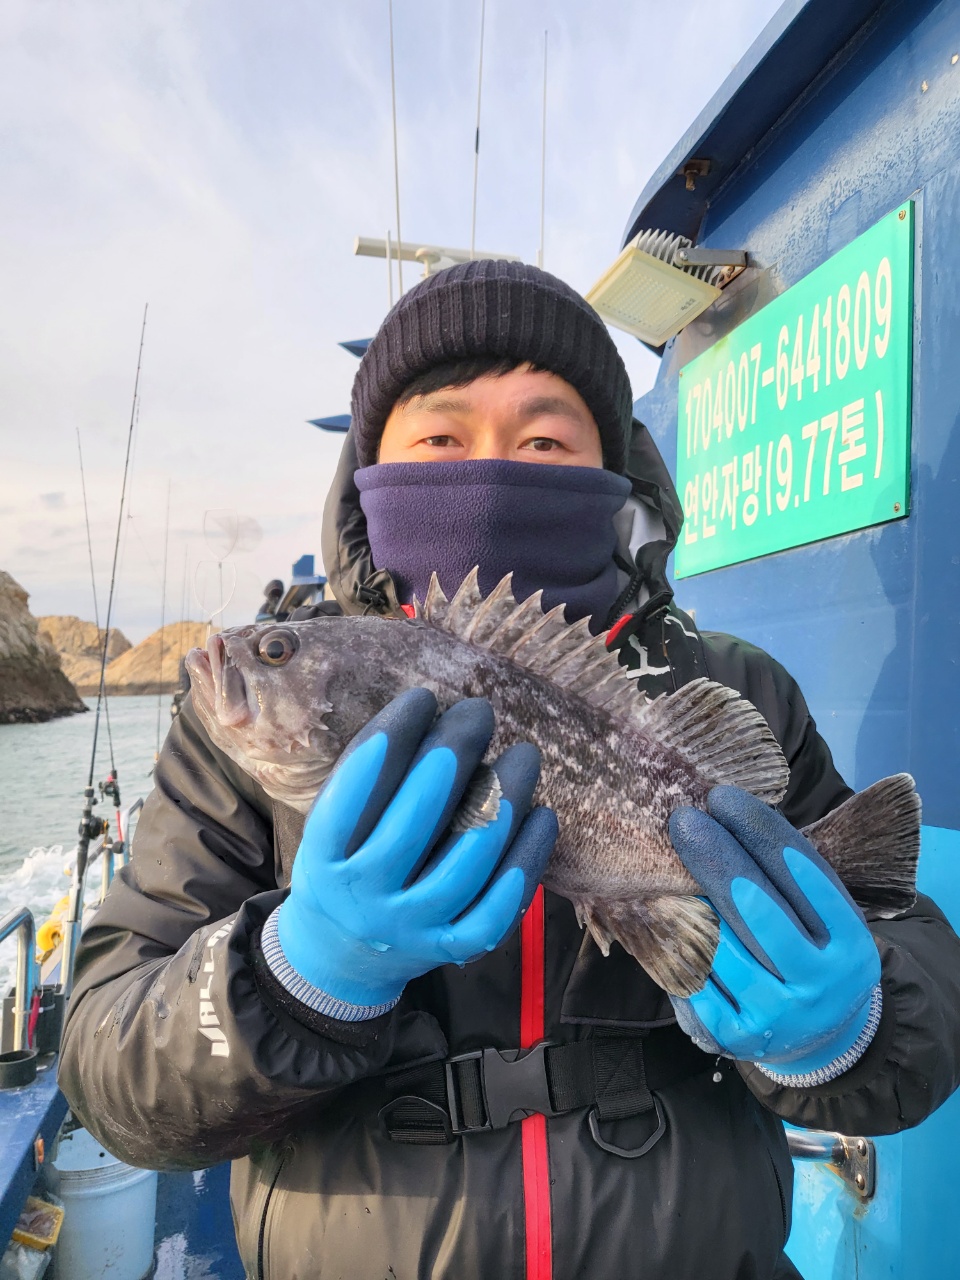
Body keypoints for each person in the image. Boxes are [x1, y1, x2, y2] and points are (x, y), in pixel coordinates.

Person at [60, 261, 960, 1280]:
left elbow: (921, 1000)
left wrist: (850, 1029)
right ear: (371, 468)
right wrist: (295, 977)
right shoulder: (229, 748)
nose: (490, 468)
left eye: (543, 440)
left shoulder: (732, 683)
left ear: (612, 465)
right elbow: (109, 1070)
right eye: (440, 438)